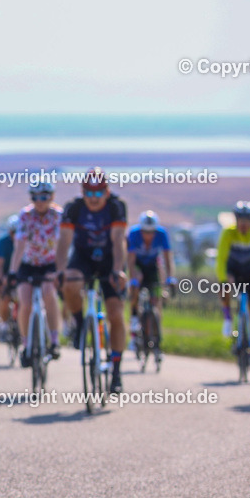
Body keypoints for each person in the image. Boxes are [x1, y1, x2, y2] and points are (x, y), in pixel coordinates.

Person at [55, 168, 129, 392]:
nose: (93, 198)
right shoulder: (73, 208)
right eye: (89, 193)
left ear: (107, 192)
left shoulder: (116, 207)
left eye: (98, 193)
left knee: (115, 314)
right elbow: (64, 242)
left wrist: (117, 270)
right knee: (70, 283)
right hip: (83, 257)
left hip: (110, 259)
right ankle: (79, 325)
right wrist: (60, 271)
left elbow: (118, 241)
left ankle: (116, 370)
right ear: (82, 192)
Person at [8, 180, 63, 366]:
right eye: (36, 197)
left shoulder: (58, 215)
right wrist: (13, 272)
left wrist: (61, 271)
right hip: (28, 264)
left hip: (49, 263)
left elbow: (63, 245)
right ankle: (26, 344)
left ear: (52, 197)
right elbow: (20, 244)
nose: (40, 201)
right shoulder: (25, 215)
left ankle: (54, 341)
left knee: (49, 293)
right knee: (25, 302)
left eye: (44, 197)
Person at [216, 201, 250, 371]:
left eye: (247, 220)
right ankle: (227, 318)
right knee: (223, 287)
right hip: (233, 272)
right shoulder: (228, 233)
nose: (243, 224)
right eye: (240, 220)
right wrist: (224, 279)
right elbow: (221, 258)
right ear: (236, 219)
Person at [126, 211, 176, 358]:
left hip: (153, 265)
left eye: (151, 232)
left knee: (156, 300)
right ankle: (135, 321)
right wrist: (133, 279)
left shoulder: (162, 234)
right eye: (145, 232)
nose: (148, 235)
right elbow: (130, 259)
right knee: (136, 285)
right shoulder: (134, 234)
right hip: (138, 265)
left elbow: (167, 258)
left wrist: (170, 278)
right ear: (141, 230)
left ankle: (157, 341)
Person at [0, 215, 18, 341]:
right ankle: (4, 325)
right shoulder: (3, 242)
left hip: (21, 274)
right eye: (14, 232)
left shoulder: (26, 239)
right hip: (6, 273)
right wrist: (0, 279)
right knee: (5, 297)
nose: (16, 235)